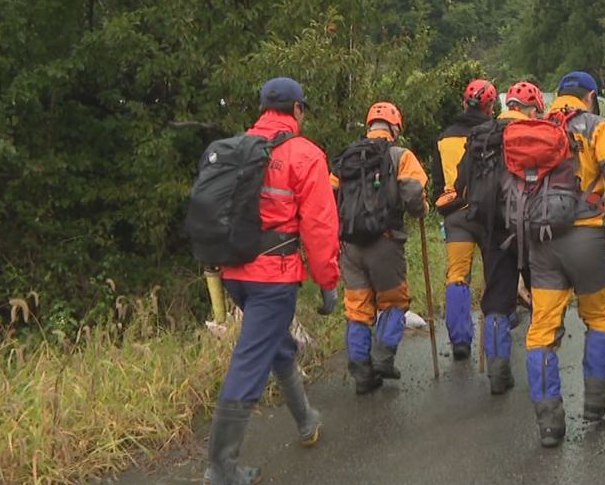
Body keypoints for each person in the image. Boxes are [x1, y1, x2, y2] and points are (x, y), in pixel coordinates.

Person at [205, 77, 339, 485]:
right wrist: (327, 280)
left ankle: (305, 420)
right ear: (297, 109)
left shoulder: (234, 149)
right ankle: (221, 468)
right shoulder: (305, 155)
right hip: (272, 279)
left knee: (276, 344)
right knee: (249, 361)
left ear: (263, 107)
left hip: (234, 274)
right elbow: (318, 226)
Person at [522, 71, 605, 448]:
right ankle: (597, 402)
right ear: (591, 95)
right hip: (586, 237)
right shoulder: (600, 127)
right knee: (599, 316)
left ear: (559, 96)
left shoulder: (533, 126)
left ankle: (549, 424)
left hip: (541, 240)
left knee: (542, 330)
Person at [453, 80, 546, 394]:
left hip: (491, 227)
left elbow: (461, 181)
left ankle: (498, 375)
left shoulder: (482, 135)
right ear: (532, 108)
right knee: (544, 297)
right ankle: (544, 369)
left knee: (496, 298)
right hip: (531, 227)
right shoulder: (535, 133)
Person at [334, 102, 429, 394]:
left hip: (349, 244)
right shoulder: (400, 155)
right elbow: (413, 194)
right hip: (384, 240)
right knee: (394, 302)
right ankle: (383, 358)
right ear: (395, 127)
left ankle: (362, 375)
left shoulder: (346, 158)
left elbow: (329, 193)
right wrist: (421, 209)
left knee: (357, 308)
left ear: (369, 125)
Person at [433, 79, 498, 361]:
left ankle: (460, 341)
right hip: (490, 214)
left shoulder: (444, 137)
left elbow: (437, 184)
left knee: (457, 276)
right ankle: (496, 342)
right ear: (491, 107)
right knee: (495, 274)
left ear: (463, 102)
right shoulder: (495, 134)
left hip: (456, 214)